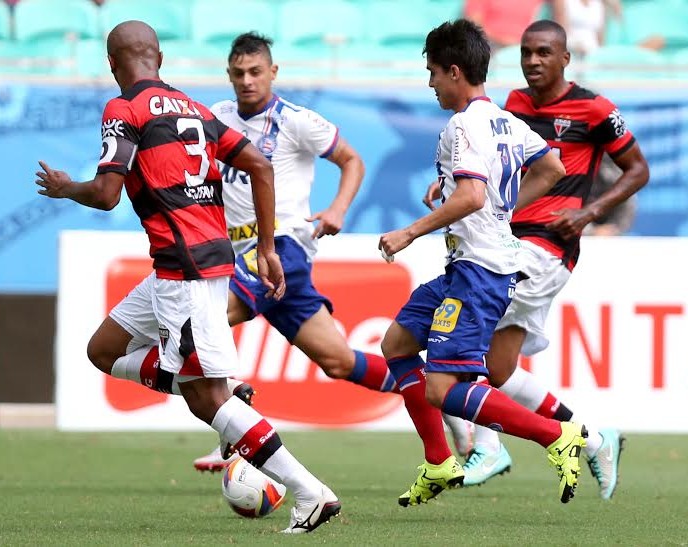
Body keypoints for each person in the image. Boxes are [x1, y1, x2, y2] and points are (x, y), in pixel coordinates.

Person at [34, 20, 340, 534]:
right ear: (159, 57)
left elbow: (108, 194)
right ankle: (222, 386)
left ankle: (312, 494)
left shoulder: (123, 109)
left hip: (187, 271)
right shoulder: (195, 110)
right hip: (181, 267)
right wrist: (265, 249)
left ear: (113, 65)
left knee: (207, 401)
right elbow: (262, 167)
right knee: (103, 350)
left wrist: (67, 188)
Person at [378, 18, 586, 507]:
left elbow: (471, 196)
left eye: (432, 72)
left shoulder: (463, 124)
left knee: (443, 389)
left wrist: (409, 231)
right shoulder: (506, 120)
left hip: (479, 273)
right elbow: (553, 167)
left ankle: (555, 435)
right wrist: (501, 206)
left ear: (454, 71)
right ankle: (438, 460)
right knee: (397, 344)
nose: (429, 83)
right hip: (471, 266)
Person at [447, 19, 649, 499]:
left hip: (548, 246)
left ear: (564, 58)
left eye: (543, 53)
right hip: (509, 239)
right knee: (497, 369)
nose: (533, 61)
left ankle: (488, 447)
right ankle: (595, 439)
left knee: (462, 327)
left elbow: (637, 169)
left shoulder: (595, 109)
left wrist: (590, 213)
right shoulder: (513, 104)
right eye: (526, 53)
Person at [191, 31, 402, 472]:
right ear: (228, 76)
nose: (247, 81)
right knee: (338, 360)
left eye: (255, 72)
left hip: (282, 247)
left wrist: (338, 209)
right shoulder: (215, 119)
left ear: (273, 72)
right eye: (238, 74)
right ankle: (428, 390)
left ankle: (233, 422)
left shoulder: (296, 121)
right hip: (232, 250)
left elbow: (352, 160)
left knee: (205, 317)